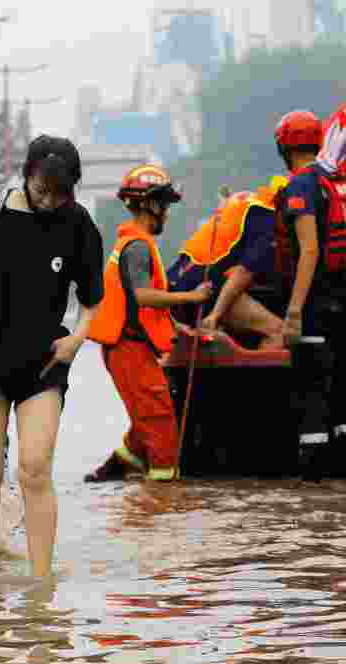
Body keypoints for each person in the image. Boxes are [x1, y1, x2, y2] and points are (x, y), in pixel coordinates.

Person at [0, 135, 104, 578]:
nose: (49, 200)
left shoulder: (78, 224)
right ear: (26, 175)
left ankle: (41, 583)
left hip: (44, 366)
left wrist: (77, 338)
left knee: (34, 469)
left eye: (59, 193)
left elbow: (92, 298)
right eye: (41, 189)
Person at [84, 164, 211, 484]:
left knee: (148, 414)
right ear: (150, 205)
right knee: (159, 419)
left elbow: (142, 308)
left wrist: (179, 329)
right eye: (164, 206)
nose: (167, 214)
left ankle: (118, 466)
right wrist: (191, 298)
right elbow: (141, 297)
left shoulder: (136, 243)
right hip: (128, 348)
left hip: (129, 345)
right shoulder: (138, 246)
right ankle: (161, 498)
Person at [273, 110, 346, 450]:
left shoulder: (301, 184)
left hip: (316, 301)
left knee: (311, 390)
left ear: (284, 147)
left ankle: (314, 485)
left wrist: (294, 311)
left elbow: (310, 250)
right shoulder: (336, 180)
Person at [167, 179, 287, 348]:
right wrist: (216, 314)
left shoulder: (247, 202)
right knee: (279, 332)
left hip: (177, 284)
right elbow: (243, 273)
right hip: (203, 287)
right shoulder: (268, 219)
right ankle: (262, 375)